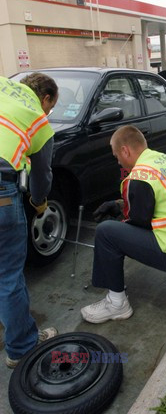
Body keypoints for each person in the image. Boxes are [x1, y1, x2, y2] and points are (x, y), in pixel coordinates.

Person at [81, 125, 166, 323]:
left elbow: (139, 222)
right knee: (120, 229)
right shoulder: (165, 160)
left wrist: (119, 219)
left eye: (116, 156)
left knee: (106, 232)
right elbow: (159, 203)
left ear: (125, 150)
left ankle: (117, 304)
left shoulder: (139, 177)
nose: (118, 161)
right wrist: (119, 204)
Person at [0, 73, 59, 368]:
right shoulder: (38, 120)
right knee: (8, 276)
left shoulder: (1, 83)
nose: (48, 113)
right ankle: (21, 347)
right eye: (51, 107)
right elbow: (41, 175)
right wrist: (38, 202)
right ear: (45, 98)